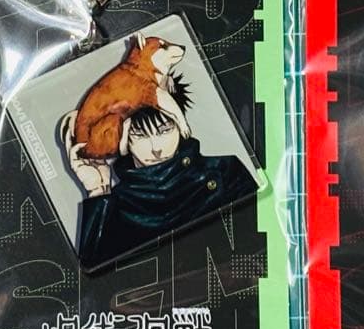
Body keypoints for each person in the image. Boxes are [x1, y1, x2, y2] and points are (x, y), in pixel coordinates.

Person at [62, 101, 257, 268]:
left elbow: (260, 244)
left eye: (164, 130)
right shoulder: (113, 205)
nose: (156, 148)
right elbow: (96, 280)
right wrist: (98, 191)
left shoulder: (225, 171)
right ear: (122, 139)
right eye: (140, 135)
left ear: (180, 126)